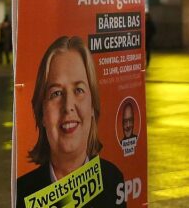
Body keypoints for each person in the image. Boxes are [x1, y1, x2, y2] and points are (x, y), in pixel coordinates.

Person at [16, 36, 125, 208]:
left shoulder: (113, 182)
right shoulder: (21, 193)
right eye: (56, 93)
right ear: (42, 113)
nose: (68, 106)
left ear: (92, 106)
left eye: (79, 90)